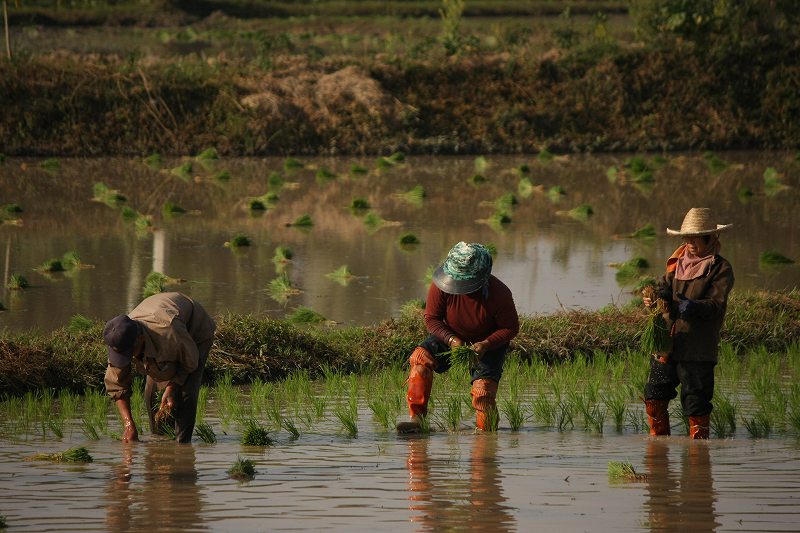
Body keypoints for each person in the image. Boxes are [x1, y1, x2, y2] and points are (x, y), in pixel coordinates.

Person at [397, 241, 519, 432]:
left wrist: (485, 344)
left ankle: (486, 438)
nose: (460, 285)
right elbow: (432, 319)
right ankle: (417, 420)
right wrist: (452, 340)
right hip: (451, 335)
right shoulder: (442, 286)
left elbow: (510, 327)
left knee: (482, 392)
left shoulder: (499, 293)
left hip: (488, 344)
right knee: (420, 358)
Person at [642, 208, 734, 439]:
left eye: (696, 237)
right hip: (667, 344)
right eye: (687, 237)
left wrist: (693, 306)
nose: (690, 243)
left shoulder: (720, 268)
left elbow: (716, 304)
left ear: (711, 237)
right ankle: (658, 450)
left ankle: (698, 457)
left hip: (697, 347)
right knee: (654, 394)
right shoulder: (676, 265)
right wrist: (655, 297)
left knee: (695, 400)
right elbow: (663, 291)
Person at [103, 291, 216, 443]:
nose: (128, 359)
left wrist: (171, 387)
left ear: (141, 339)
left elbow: (190, 362)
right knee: (153, 395)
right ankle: (160, 441)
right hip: (160, 331)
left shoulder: (168, 331)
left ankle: (182, 446)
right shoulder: (120, 338)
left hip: (195, 332)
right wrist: (129, 425)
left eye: (130, 353)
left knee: (183, 394)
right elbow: (117, 385)